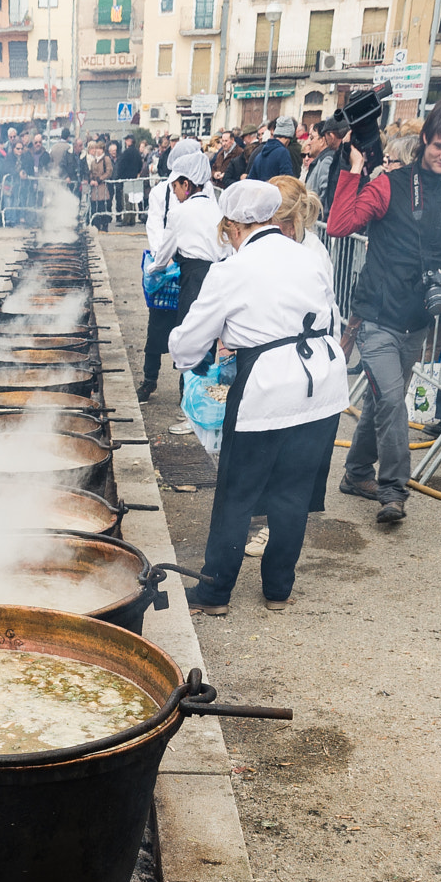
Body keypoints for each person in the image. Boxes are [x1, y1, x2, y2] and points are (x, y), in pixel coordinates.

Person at [172, 180, 347, 615]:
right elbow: (332, 319)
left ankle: (213, 594)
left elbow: (188, 343)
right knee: (293, 490)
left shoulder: (233, 269)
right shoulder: (308, 257)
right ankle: (278, 590)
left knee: (237, 492)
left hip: (269, 386)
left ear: (232, 225)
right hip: (323, 384)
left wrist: (196, 356)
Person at [325, 94, 441, 524]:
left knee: (382, 402)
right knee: (394, 400)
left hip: (419, 318)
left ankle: (356, 473)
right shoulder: (391, 183)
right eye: (438, 145)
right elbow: (339, 226)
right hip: (375, 314)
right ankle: (394, 489)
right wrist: (354, 170)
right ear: (426, 138)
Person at [147, 147, 231, 422]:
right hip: (218, 276)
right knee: (208, 340)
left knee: (190, 337)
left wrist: (154, 270)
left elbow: (164, 252)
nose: (174, 192)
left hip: (193, 278)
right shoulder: (216, 209)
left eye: (176, 186)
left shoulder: (181, 213)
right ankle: (200, 401)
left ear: (187, 183)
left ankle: (188, 405)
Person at [139, 140, 210, 402]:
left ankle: (188, 392)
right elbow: (156, 226)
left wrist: (158, 264)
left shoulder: (207, 195)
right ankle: (149, 379)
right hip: (171, 269)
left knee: (193, 333)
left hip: (191, 270)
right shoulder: (162, 192)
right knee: (157, 326)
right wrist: (163, 263)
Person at [304, 118, 349, 214]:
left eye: (312, 138)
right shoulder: (323, 160)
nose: (309, 142)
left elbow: (327, 195)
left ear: (322, 140)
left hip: (319, 222)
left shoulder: (327, 161)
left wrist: (319, 215)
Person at [246, 118, 294, 182]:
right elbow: (288, 182)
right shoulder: (283, 153)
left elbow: (250, 181)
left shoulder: (260, 154)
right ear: (288, 139)